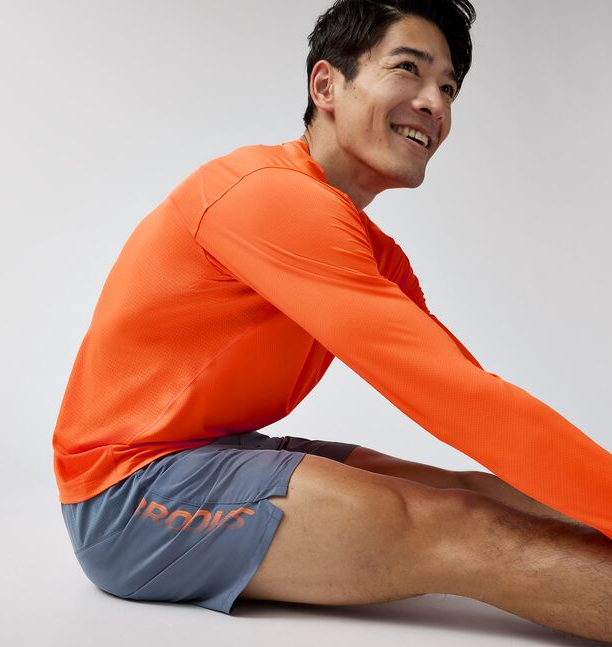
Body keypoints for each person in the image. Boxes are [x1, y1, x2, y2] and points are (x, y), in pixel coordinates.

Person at [52, 0, 612, 641]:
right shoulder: (269, 196)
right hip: (123, 496)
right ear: (326, 86)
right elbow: (457, 399)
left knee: (478, 490)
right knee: (465, 529)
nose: (434, 103)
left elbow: (467, 390)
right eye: (408, 68)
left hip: (216, 452)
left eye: (449, 88)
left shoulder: (370, 251)